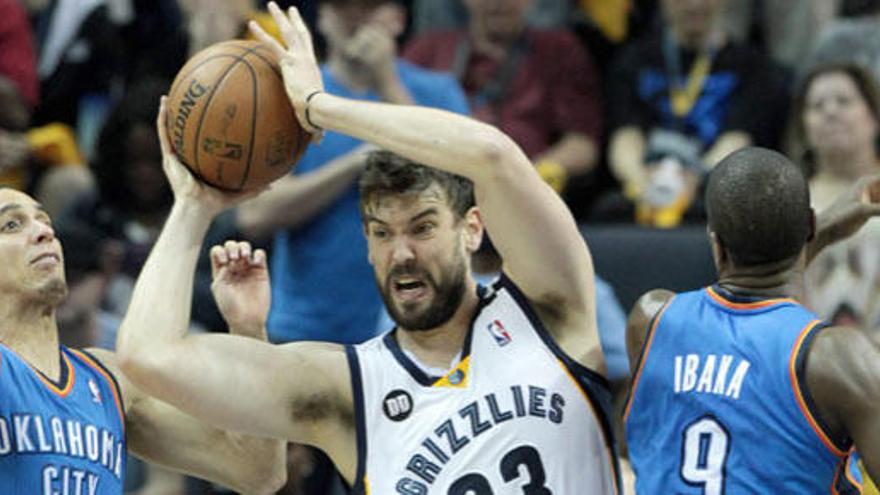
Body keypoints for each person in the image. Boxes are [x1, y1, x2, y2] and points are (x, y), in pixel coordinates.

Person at [116, 3, 621, 493]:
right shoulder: (346, 390)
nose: (401, 253)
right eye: (382, 233)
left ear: (472, 229)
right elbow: (148, 356)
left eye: (422, 228)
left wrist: (319, 107)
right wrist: (193, 206)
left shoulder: (548, 312)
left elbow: (491, 155)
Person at [624, 146, 880, 492]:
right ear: (809, 227)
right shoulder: (834, 359)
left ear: (716, 244)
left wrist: (820, 228)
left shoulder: (652, 319)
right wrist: (821, 227)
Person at [236, 0, 469, 346]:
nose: (356, 18)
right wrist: (358, 162)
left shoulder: (439, 92)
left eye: (370, 7)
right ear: (323, 18)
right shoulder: (291, 97)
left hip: (425, 327)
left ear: (399, 18)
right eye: (344, 7)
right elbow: (254, 214)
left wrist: (386, 80)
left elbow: (461, 187)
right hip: (309, 329)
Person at [599, 0, 789, 226]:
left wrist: (696, 178)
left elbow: (737, 140)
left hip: (712, 187)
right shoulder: (633, 61)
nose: (694, 5)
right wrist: (642, 182)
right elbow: (625, 138)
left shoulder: (751, 66)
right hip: (644, 184)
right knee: (609, 211)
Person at [791, 63, 880, 331]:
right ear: (804, 128)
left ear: (873, 117)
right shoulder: (789, 201)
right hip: (811, 354)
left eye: (844, 101)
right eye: (817, 106)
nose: (831, 111)